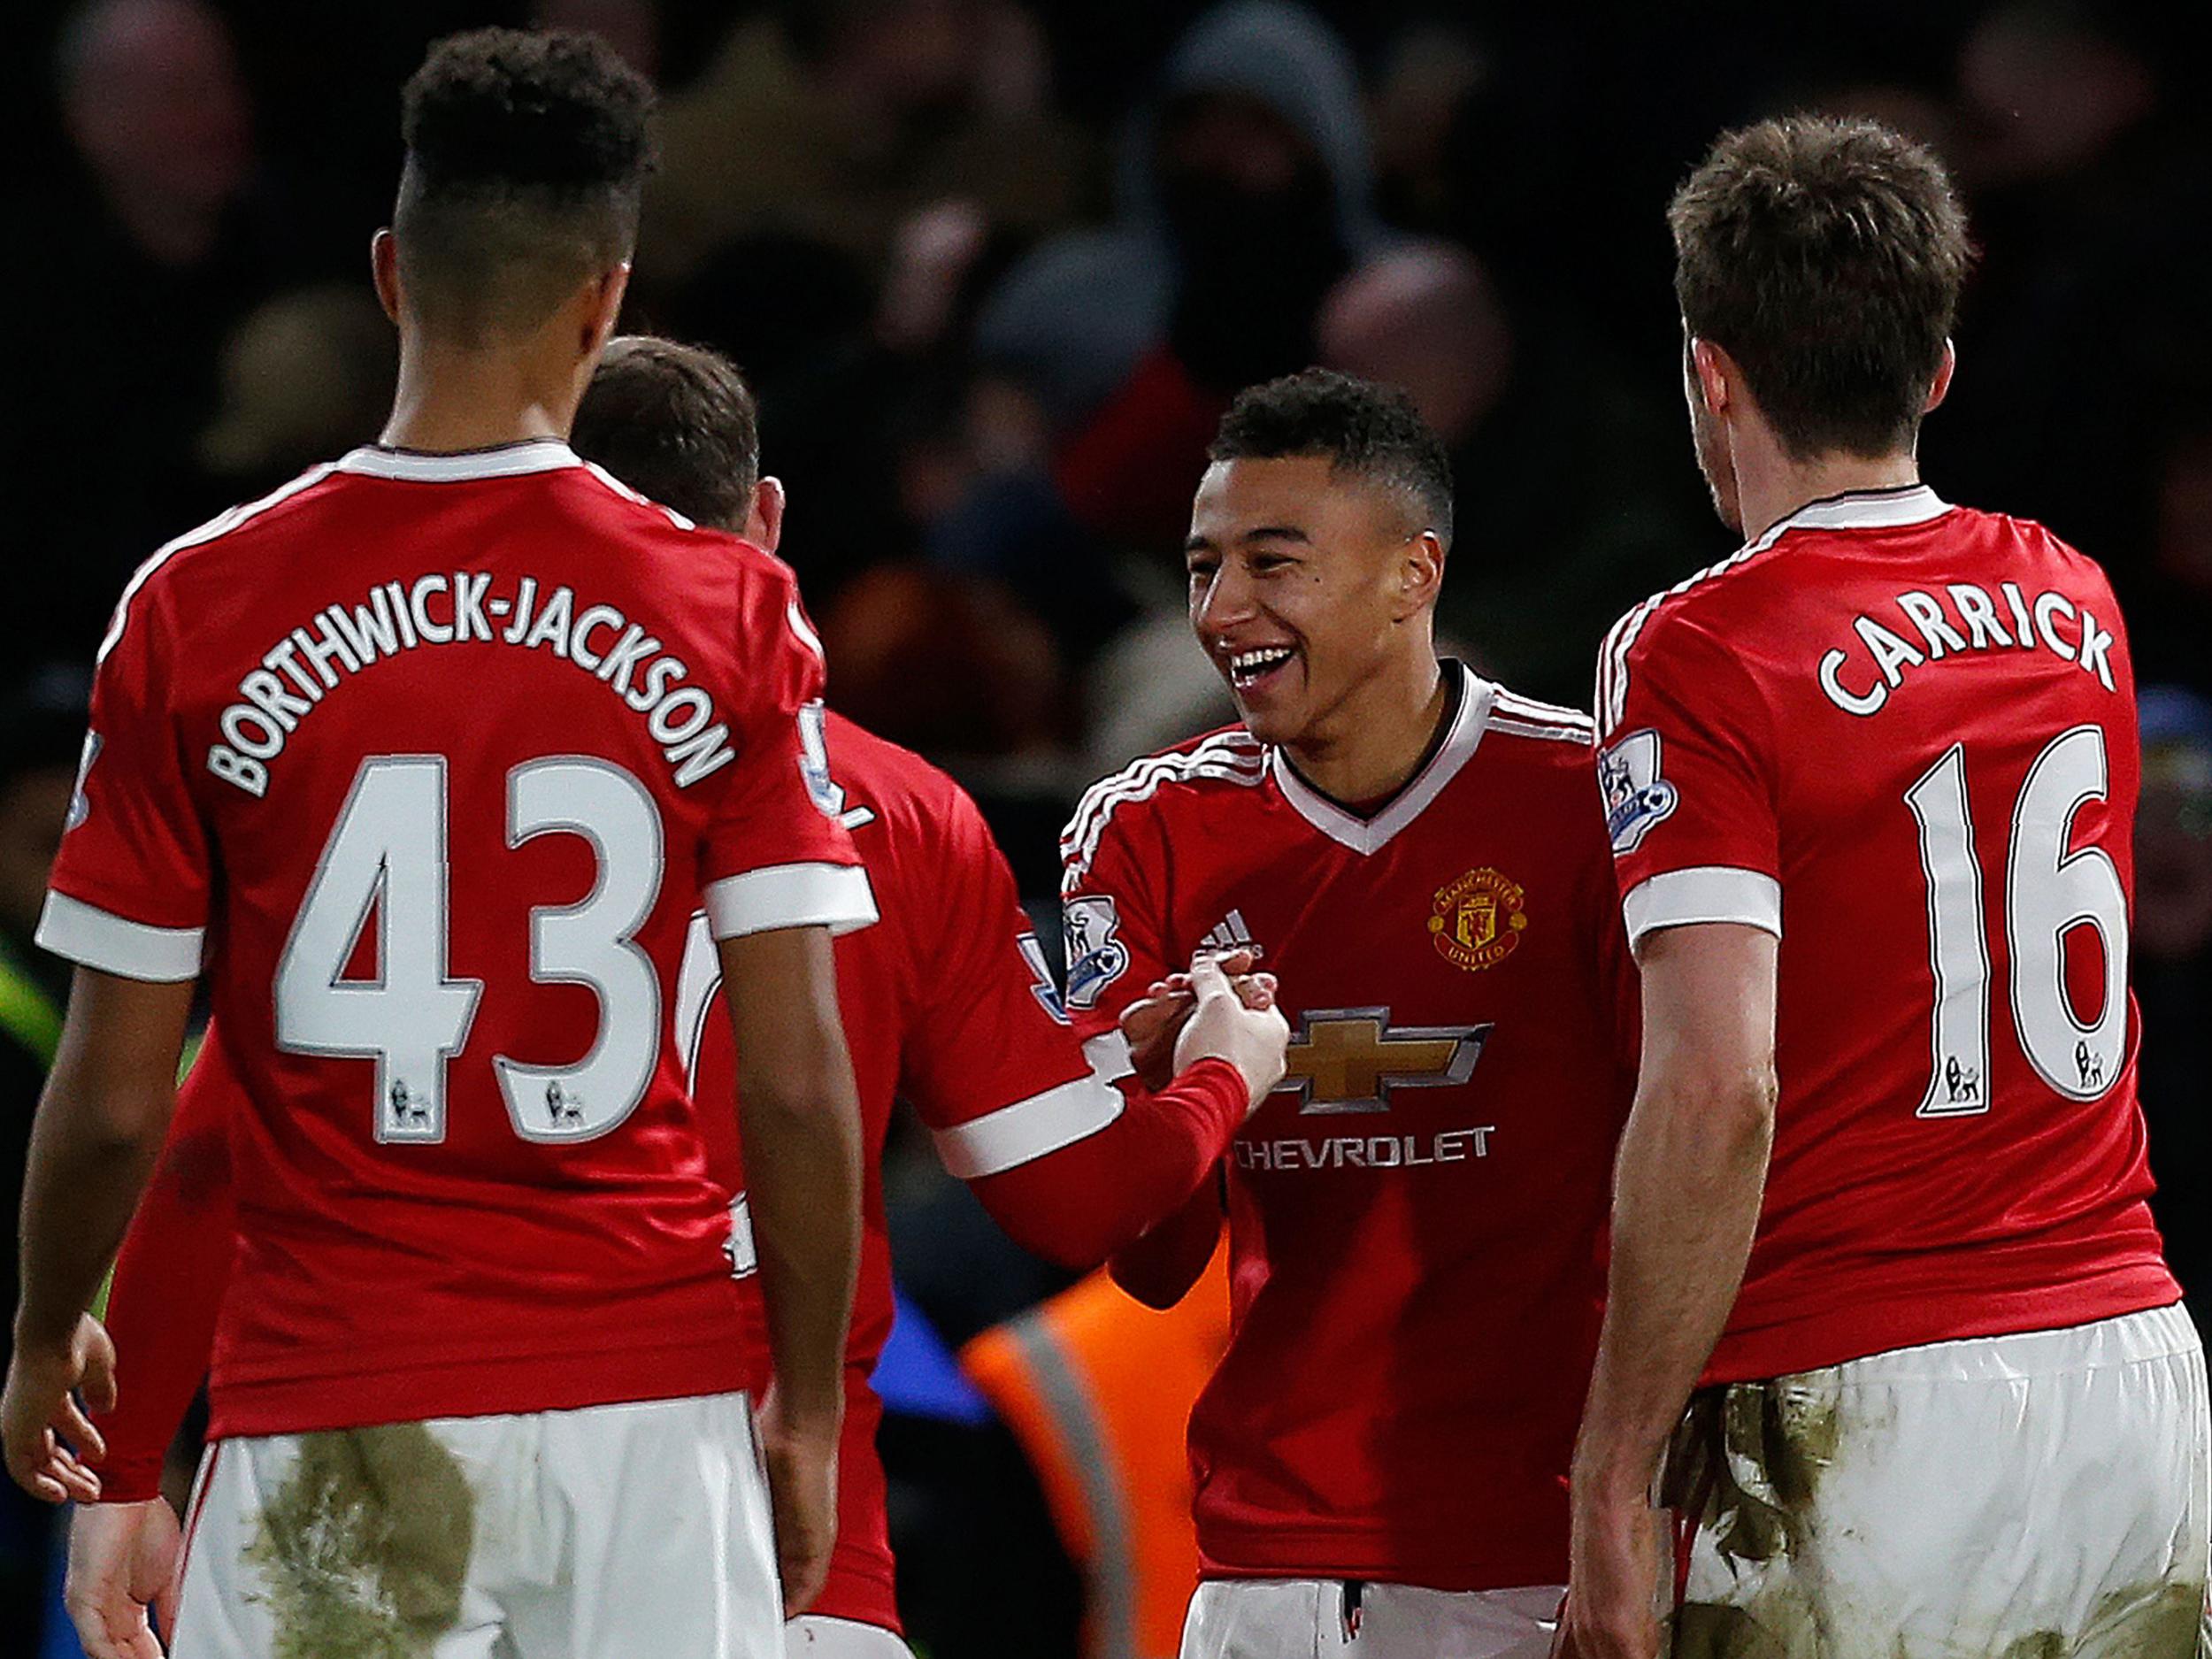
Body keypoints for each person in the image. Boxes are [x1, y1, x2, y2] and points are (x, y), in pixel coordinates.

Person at [62, 335, 1291, 1659]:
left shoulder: (366, 768)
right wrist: (1221, 1072)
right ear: (761, 523)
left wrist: (126, 1463)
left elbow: (208, 1149)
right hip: (754, 1535)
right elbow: (1077, 1201)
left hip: (375, 1459)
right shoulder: (901, 814)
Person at [3, 33, 878, 1657]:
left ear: (393, 275)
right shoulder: (733, 610)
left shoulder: (194, 606)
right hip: (650, 1423)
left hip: (342, 1427)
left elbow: (128, 1098)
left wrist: (52, 1333)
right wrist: (806, 1406)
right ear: (608, 300)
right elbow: (797, 1076)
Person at [1562, 116, 2208, 1659]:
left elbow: (1719, 1090)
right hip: (2132, 1374)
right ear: (1936, 372)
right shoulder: (2077, 600)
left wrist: (1609, 1468)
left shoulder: (1698, 649)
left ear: (1710, 371)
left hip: (1862, 1399)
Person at [1064, 368, 1639, 1658]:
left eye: (1277, 564)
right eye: (1203, 568)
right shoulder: (1147, 833)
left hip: (1543, 1552)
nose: (1224, 611)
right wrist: (1160, 1095)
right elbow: (1149, 1269)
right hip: (1270, 1563)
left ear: (1412, 574)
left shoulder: (1590, 804)